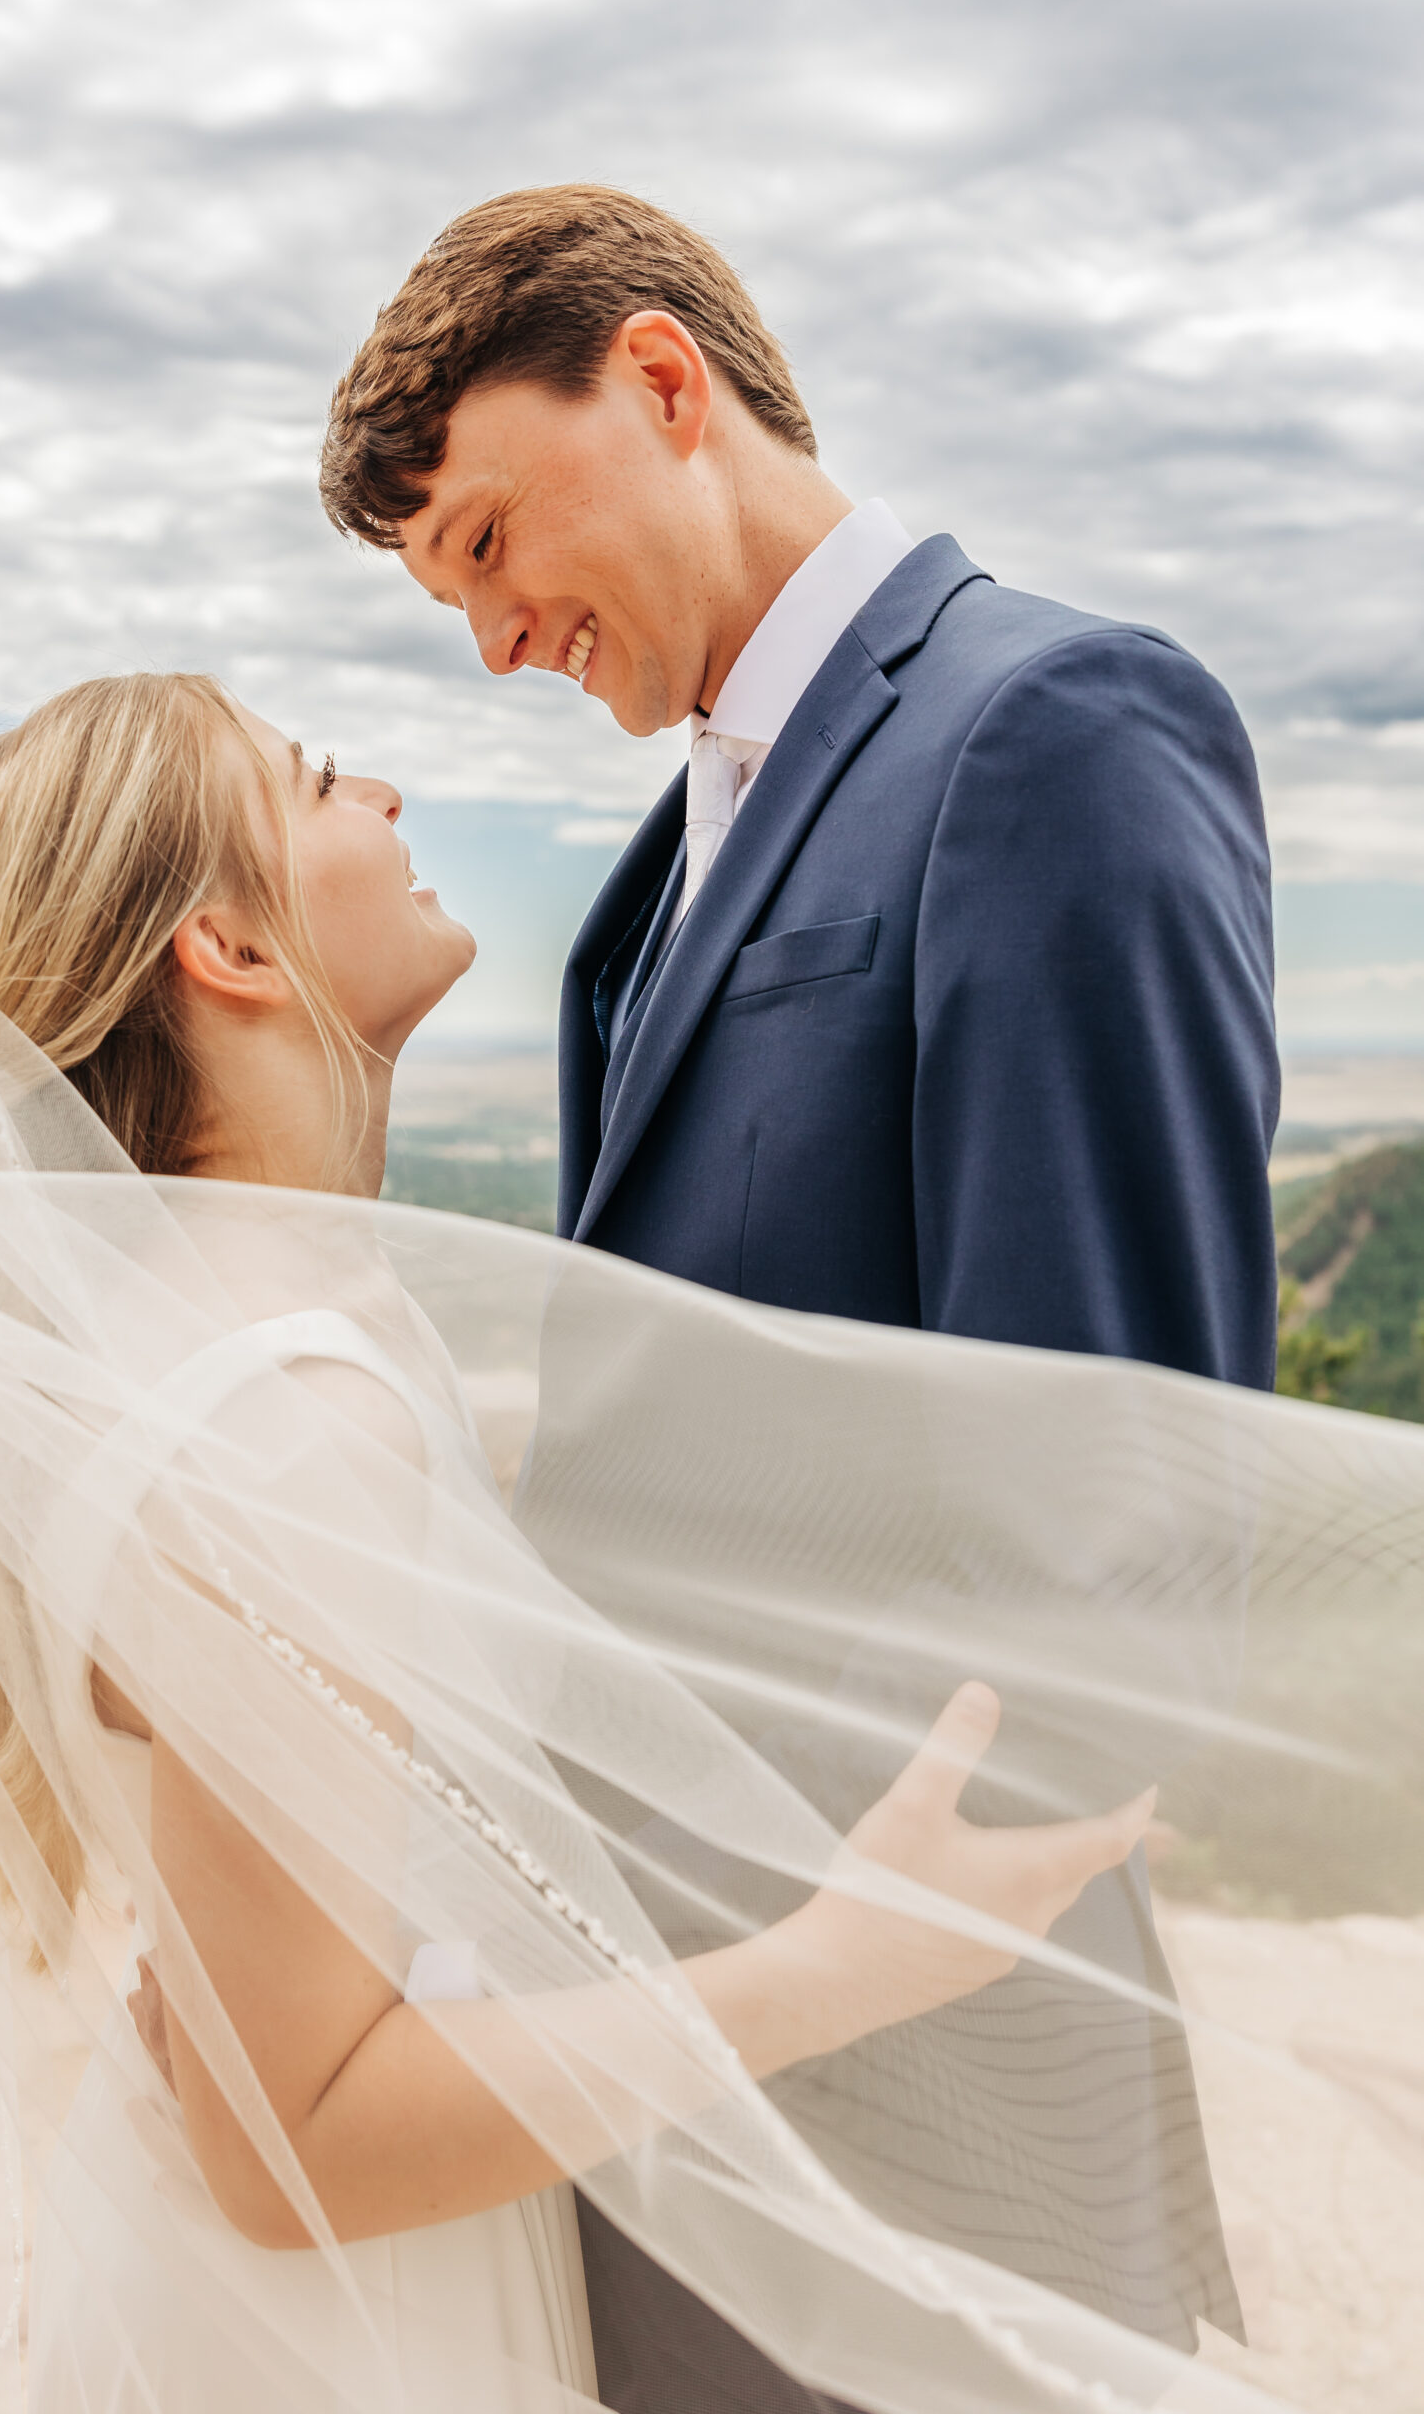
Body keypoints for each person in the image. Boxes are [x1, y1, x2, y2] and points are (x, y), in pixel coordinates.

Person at [0, 672, 1177, 2414]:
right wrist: (840, 1964)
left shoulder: (247, 1329)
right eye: (311, 782)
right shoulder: (280, 1426)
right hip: (335, 2345)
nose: (376, 792)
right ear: (226, 947)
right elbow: (292, 2143)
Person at [320, 185, 1281, 2408]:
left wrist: (819, 1985)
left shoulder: (1046, 728)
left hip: (918, 2089)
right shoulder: (660, 866)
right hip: (687, 2036)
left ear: (659, 381)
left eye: (479, 545)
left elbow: (1117, 1510)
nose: (485, 639)